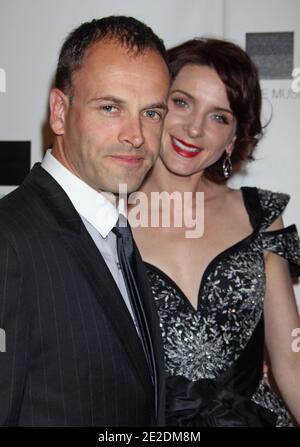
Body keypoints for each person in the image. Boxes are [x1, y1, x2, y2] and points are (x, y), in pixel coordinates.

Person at [0, 16, 170, 426]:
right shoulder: (9, 242)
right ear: (59, 112)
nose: (136, 135)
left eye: (151, 112)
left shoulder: (114, 231)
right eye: (110, 108)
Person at [131, 38, 300, 426]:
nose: (194, 128)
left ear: (233, 139)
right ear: (155, 104)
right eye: (182, 102)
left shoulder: (259, 215)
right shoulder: (104, 219)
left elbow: (290, 360)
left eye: (219, 117)